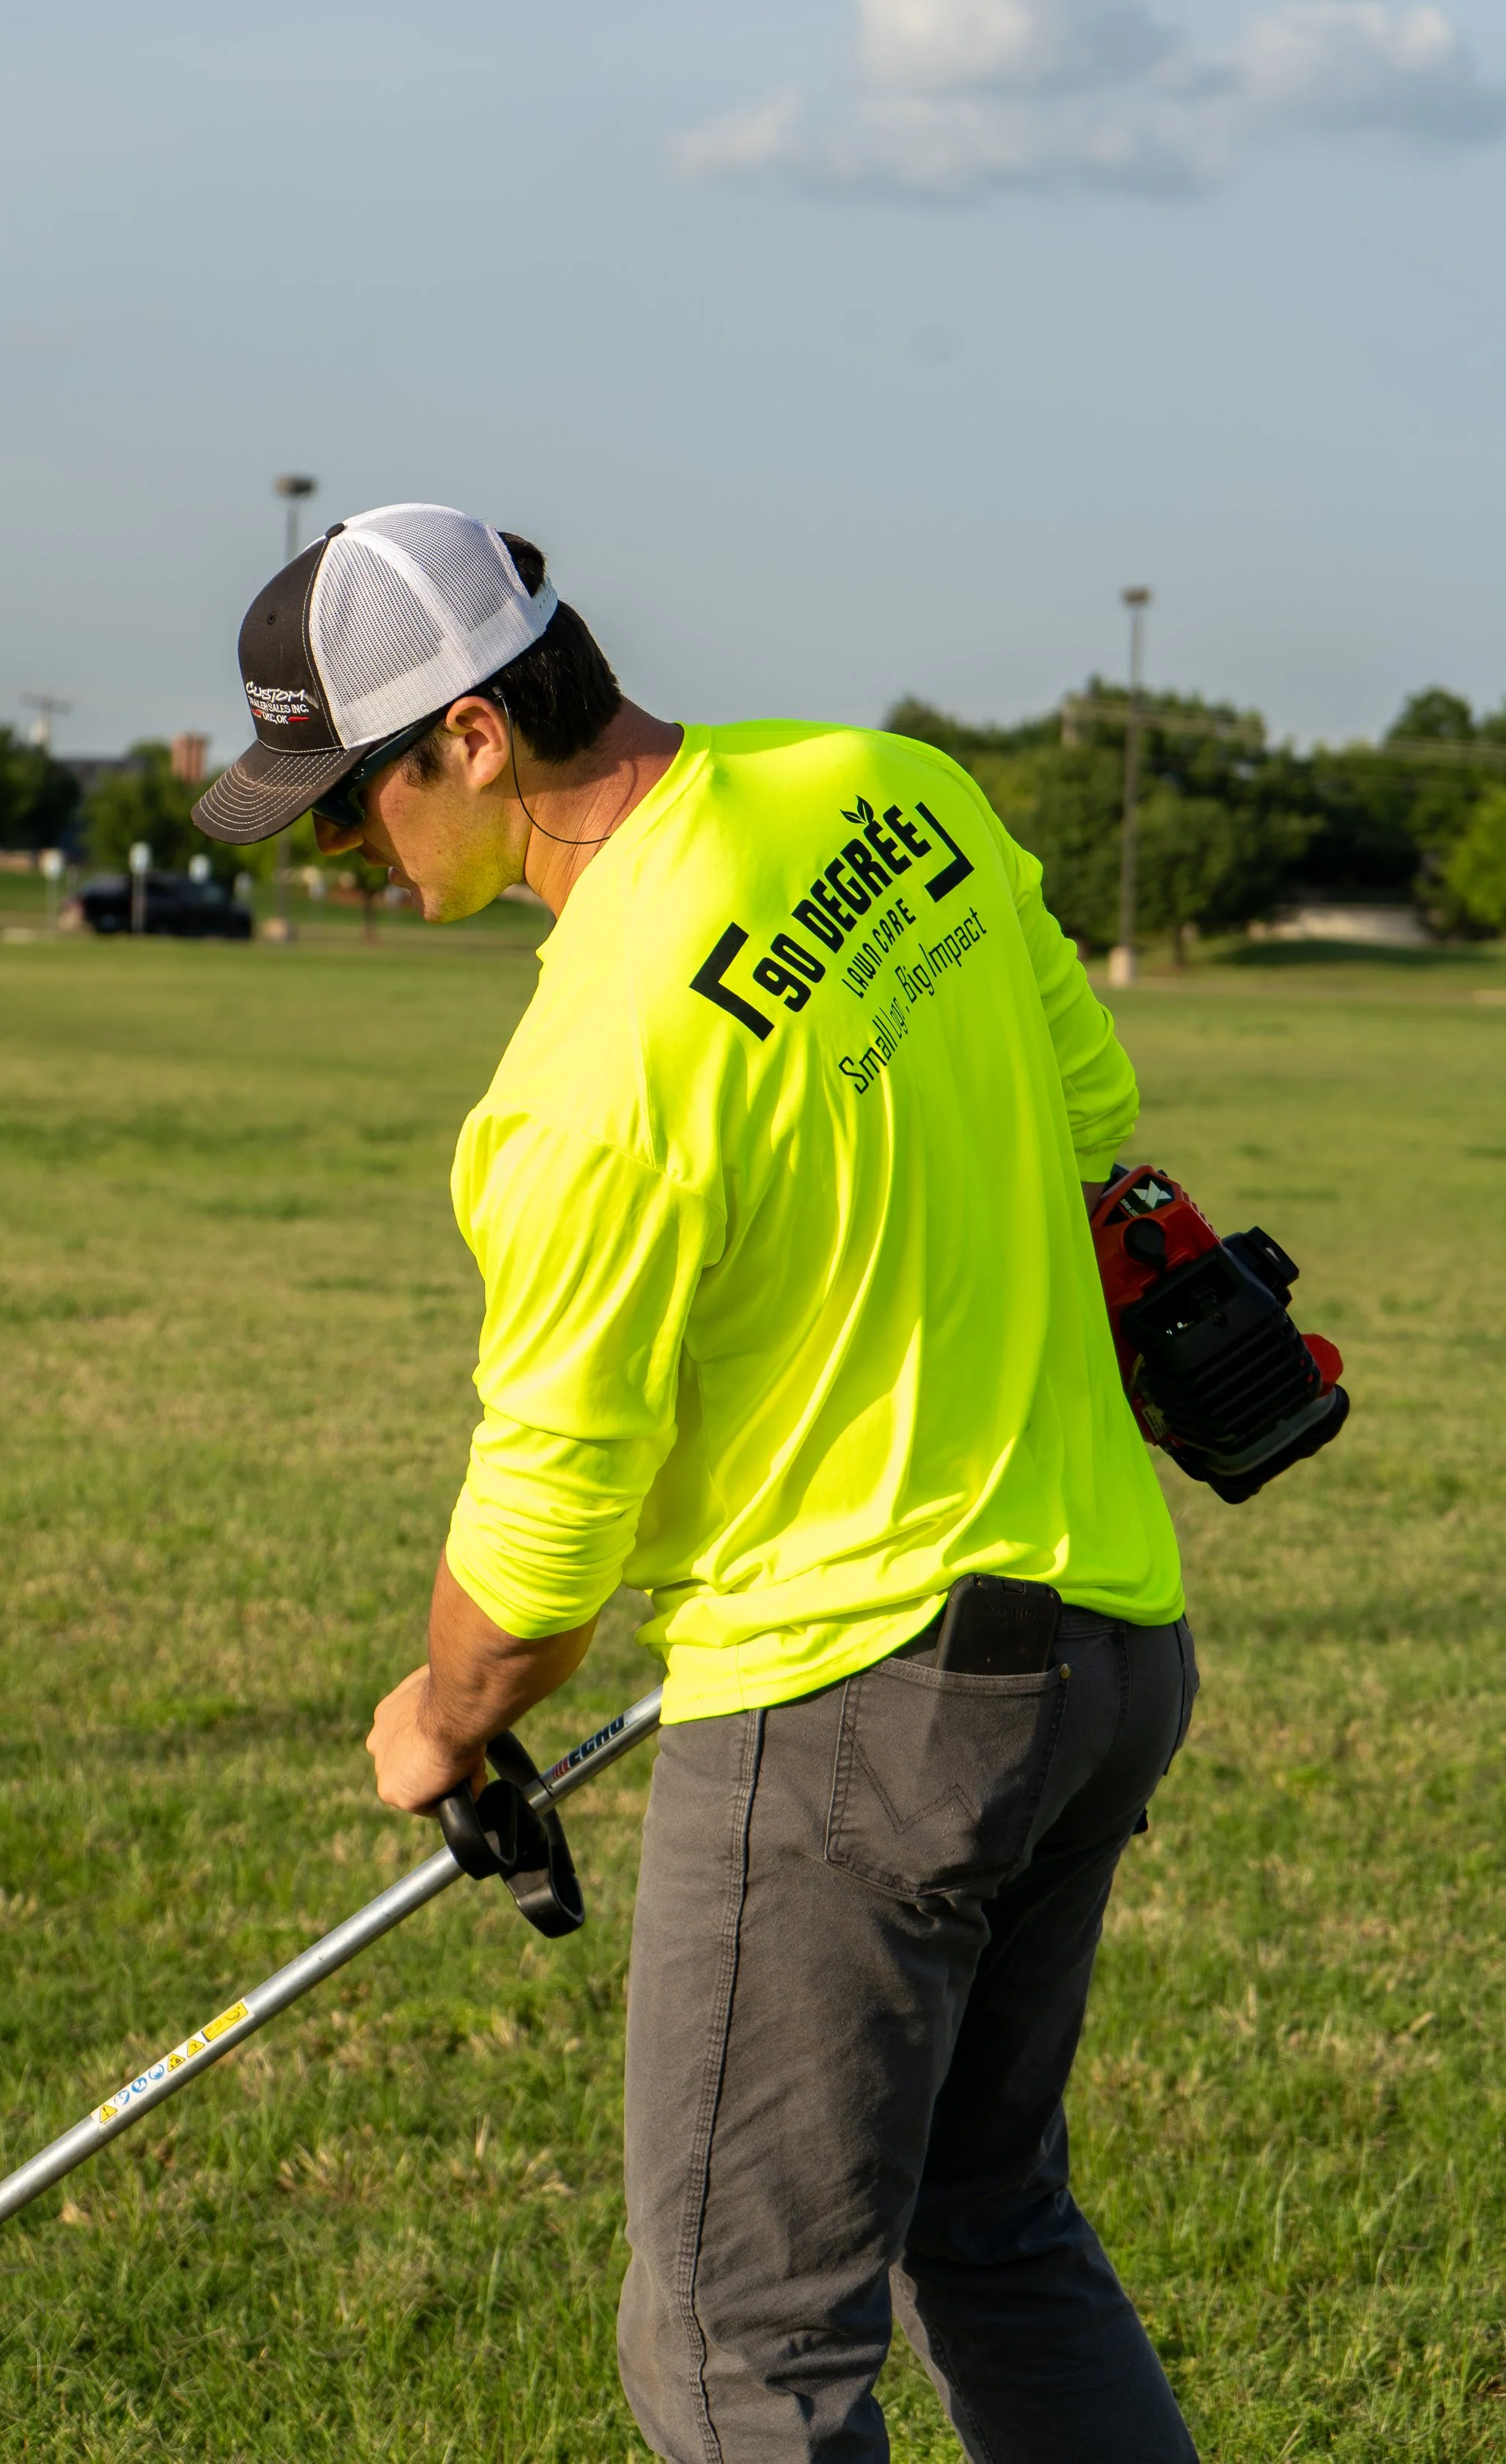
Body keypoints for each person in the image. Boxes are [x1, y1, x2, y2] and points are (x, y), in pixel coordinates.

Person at [194, 503, 1200, 2464]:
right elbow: (1088, 1107)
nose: (340, 856)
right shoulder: (884, 784)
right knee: (985, 2225)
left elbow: (542, 1551)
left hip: (852, 1715)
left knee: (744, 2347)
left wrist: (438, 1714)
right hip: (1101, 1651)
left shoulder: (584, 1077)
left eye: (347, 805)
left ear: (473, 738)